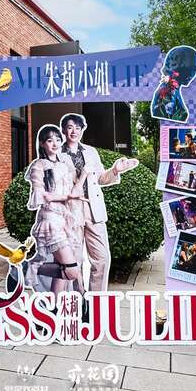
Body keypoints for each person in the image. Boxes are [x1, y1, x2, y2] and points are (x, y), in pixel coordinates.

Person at [60, 113, 138, 292]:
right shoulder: (57, 154)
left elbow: (101, 179)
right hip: (71, 210)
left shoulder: (91, 152)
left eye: (77, 128)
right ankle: (78, 297)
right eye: (70, 127)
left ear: (82, 130)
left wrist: (115, 170)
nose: (74, 131)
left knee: (102, 258)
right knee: (74, 259)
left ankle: (96, 299)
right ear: (63, 130)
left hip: (93, 208)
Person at [25, 125, 88, 297]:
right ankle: (29, 267)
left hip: (64, 219)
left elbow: (71, 192)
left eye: (58, 140)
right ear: (42, 143)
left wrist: (82, 178)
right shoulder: (39, 165)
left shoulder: (63, 165)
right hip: (50, 219)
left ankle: (54, 305)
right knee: (71, 270)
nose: (55, 144)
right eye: (49, 140)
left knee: (64, 269)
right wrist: (66, 196)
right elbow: (42, 195)